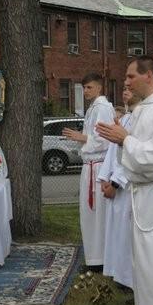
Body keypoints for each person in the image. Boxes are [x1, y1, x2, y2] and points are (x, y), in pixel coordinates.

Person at [96, 56, 153, 305]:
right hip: (142, 195)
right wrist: (122, 141)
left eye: (130, 76)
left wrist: (126, 141)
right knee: (144, 271)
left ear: (148, 75)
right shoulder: (143, 109)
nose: (125, 82)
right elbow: (130, 159)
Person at [62, 72, 114, 270]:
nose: (85, 91)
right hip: (89, 167)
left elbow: (104, 139)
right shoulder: (93, 108)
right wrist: (80, 139)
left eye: (89, 87)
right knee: (89, 214)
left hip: (99, 167)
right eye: (84, 88)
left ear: (99, 88)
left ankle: (101, 260)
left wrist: (82, 138)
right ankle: (94, 258)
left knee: (99, 215)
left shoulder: (102, 108)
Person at [98, 87, 140, 289]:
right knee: (117, 233)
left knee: (128, 235)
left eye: (129, 87)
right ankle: (121, 275)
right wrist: (105, 177)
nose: (125, 91)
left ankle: (132, 280)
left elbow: (132, 156)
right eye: (123, 87)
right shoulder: (124, 119)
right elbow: (113, 152)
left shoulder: (141, 119)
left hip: (128, 186)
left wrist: (116, 182)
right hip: (115, 182)